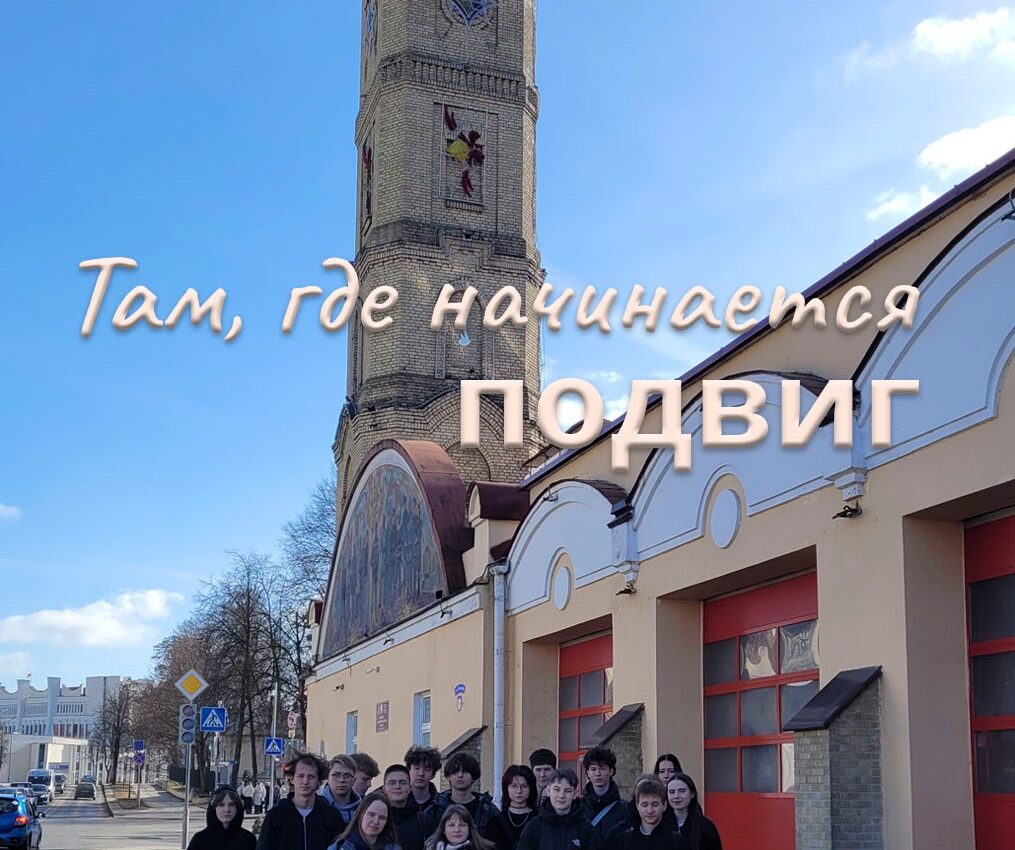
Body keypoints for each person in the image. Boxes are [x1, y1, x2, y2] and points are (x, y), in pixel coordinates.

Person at [257, 752, 344, 850]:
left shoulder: (331, 815)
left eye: (311, 777)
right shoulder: (276, 815)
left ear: (319, 781)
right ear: (292, 779)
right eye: (301, 776)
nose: (305, 781)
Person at [419, 753, 498, 839]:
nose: (460, 775)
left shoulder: (487, 809)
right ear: (448, 777)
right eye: (455, 772)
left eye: (465, 771)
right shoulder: (435, 810)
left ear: (473, 776)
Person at [516, 769, 591, 850]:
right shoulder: (534, 827)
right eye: (557, 789)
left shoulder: (585, 828)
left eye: (568, 791)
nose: (561, 795)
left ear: (575, 794)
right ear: (548, 791)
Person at [605, 778, 678, 850]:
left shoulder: (676, 842)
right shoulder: (622, 841)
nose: (650, 810)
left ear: (664, 805)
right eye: (644, 805)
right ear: (637, 806)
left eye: (655, 805)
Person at [580, 747, 627, 850]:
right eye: (593, 769)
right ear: (587, 773)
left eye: (602, 768)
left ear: (611, 771)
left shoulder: (625, 809)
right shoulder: (578, 808)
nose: (598, 774)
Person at [188, 785, 257, 850]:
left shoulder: (249, 840)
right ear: (214, 808)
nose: (227, 809)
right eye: (221, 805)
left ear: (238, 808)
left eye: (231, 804)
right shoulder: (199, 840)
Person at [486, 765, 538, 850]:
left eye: (524, 786)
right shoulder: (495, 821)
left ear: (531, 788)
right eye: (514, 786)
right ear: (506, 788)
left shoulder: (539, 819)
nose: (519, 791)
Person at [329, 791, 401, 850]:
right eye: (371, 815)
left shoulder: (393, 848)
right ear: (360, 815)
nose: (376, 821)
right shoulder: (339, 847)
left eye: (382, 818)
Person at [666, 775, 720, 850]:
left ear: (692, 794)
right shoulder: (661, 824)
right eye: (672, 792)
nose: (676, 796)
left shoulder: (706, 826)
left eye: (682, 791)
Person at [383, 764, 426, 850]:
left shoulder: (423, 820)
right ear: (384, 788)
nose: (397, 786)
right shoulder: (377, 817)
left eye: (402, 782)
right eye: (392, 783)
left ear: (410, 788)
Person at [425, 804, 495, 850]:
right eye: (451, 825)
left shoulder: (486, 848)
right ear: (444, 829)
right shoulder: (431, 848)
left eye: (462, 825)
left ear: (469, 828)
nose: (457, 830)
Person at [322, 755, 363, 825]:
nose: (342, 780)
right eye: (336, 775)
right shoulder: (317, 806)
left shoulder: (361, 809)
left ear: (354, 780)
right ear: (327, 778)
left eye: (347, 776)